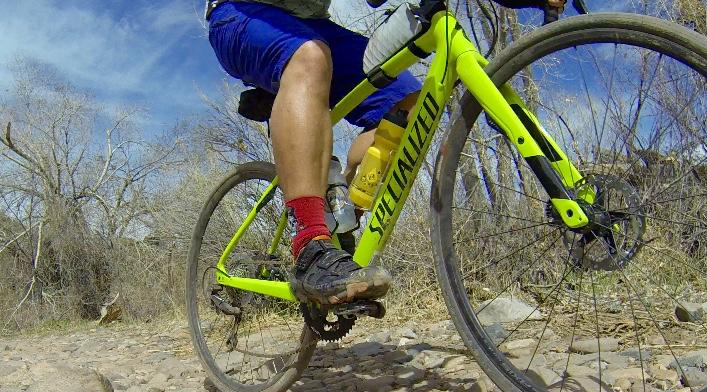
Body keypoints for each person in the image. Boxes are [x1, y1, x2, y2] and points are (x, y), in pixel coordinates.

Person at [205, 0, 565, 306]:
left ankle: (341, 206)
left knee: (410, 100)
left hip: (313, 24)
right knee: (309, 56)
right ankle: (311, 243)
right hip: (240, 15)